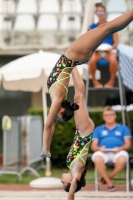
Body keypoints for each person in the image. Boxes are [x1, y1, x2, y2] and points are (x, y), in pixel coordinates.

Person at [41, 8, 133, 158]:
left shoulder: (58, 96)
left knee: (107, 29)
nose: (55, 118)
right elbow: (48, 126)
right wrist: (45, 149)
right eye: (58, 117)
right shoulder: (58, 97)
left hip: (77, 57)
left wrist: (46, 148)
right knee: (107, 28)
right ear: (60, 109)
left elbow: (50, 127)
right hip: (75, 54)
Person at [61, 67, 94, 200]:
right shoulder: (75, 171)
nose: (61, 180)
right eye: (63, 183)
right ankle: (72, 65)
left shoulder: (72, 167)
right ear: (71, 182)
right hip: (84, 132)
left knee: (78, 98)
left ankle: (72, 66)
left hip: (81, 132)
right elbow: (72, 190)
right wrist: (71, 193)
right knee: (79, 97)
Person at [91, 106, 132, 191]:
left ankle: (107, 178)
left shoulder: (123, 128)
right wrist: (99, 148)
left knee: (122, 159)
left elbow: (128, 144)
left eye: (111, 114)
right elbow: (93, 146)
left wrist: (120, 148)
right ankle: (110, 184)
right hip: (103, 152)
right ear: (103, 117)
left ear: (115, 116)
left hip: (119, 151)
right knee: (97, 158)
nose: (109, 117)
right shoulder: (98, 129)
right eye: (106, 115)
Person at [88, 3, 119, 88]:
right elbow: (88, 42)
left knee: (113, 60)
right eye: (98, 12)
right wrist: (94, 48)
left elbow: (116, 42)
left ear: (105, 12)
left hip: (109, 50)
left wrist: (111, 48)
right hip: (97, 50)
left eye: (102, 11)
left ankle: (112, 81)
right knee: (91, 60)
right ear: (95, 13)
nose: (100, 14)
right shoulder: (92, 27)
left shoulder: (112, 26)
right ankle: (94, 81)